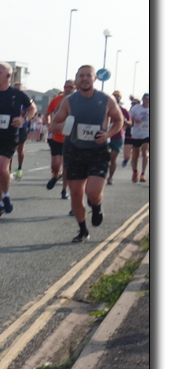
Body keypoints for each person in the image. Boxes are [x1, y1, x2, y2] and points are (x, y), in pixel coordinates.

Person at [48, 64, 124, 242]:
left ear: (94, 78)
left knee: (93, 191)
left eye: (88, 75)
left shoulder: (106, 99)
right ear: (76, 79)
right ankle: (83, 230)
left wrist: (108, 134)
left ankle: (96, 206)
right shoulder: (69, 101)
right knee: (75, 194)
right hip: (74, 150)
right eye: (81, 76)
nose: (84, 79)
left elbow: (119, 120)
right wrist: (66, 124)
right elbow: (53, 126)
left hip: (98, 150)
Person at [0, 62, 36, 219]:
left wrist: (24, 119)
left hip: (10, 137)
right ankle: (0, 202)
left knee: (1, 167)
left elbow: (32, 109)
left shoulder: (17, 94)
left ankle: (6, 195)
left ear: (9, 76)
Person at [43, 79, 75, 196]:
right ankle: (56, 176)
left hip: (70, 138)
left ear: (75, 88)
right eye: (66, 86)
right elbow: (46, 114)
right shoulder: (56, 100)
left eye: (71, 87)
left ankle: (64, 190)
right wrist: (48, 124)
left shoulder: (78, 101)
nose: (68, 88)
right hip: (56, 136)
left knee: (67, 165)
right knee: (55, 164)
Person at [106, 90, 130, 184]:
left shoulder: (123, 110)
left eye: (118, 96)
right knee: (104, 158)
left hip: (117, 136)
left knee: (113, 159)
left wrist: (124, 121)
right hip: (105, 135)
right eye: (114, 96)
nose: (116, 97)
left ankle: (110, 177)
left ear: (120, 98)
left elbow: (130, 123)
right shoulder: (106, 108)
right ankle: (101, 176)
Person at [128, 92, 149, 183]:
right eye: (145, 99)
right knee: (135, 154)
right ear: (142, 99)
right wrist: (134, 120)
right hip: (137, 133)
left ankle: (143, 173)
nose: (146, 101)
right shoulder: (136, 108)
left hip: (147, 133)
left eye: (148, 99)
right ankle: (135, 172)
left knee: (145, 152)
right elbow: (129, 118)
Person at [11, 80, 30, 180]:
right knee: (10, 149)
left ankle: (19, 168)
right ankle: (8, 170)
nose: (17, 90)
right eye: (15, 88)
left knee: (20, 150)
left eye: (19, 89)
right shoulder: (10, 98)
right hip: (11, 126)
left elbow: (30, 111)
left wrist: (24, 115)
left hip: (22, 127)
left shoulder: (25, 99)